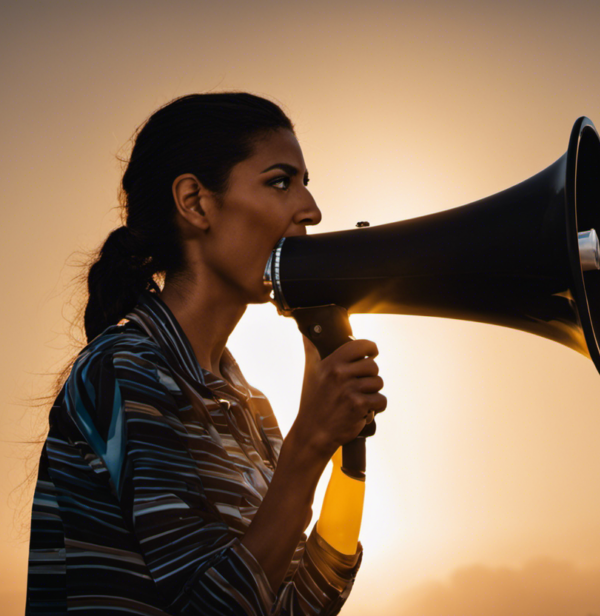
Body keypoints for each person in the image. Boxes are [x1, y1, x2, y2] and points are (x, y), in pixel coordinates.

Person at [25, 92, 387, 615]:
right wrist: (308, 443)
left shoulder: (249, 406)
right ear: (195, 202)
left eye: (306, 184)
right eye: (281, 181)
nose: (311, 209)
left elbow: (301, 604)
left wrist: (343, 448)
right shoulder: (125, 371)